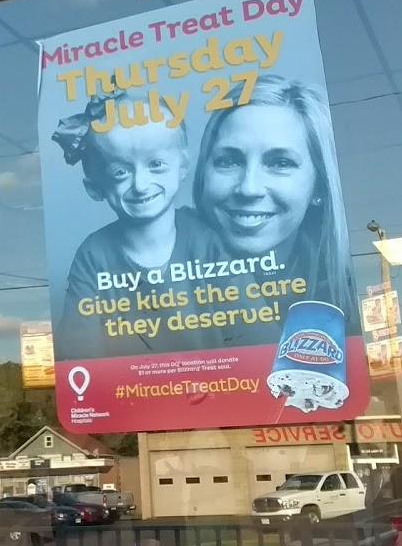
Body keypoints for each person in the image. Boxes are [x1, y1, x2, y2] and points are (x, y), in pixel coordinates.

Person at [51, 92, 219, 358]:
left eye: (156, 164)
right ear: (95, 188)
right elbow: (79, 350)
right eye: (121, 172)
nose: (141, 185)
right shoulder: (94, 255)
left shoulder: (208, 238)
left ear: (183, 166)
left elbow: (256, 333)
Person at [192, 74, 357, 329]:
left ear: (320, 187)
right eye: (229, 161)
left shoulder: (353, 297)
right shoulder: (149, 289)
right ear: (203, 175)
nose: (249, 188)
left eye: (280, 163)